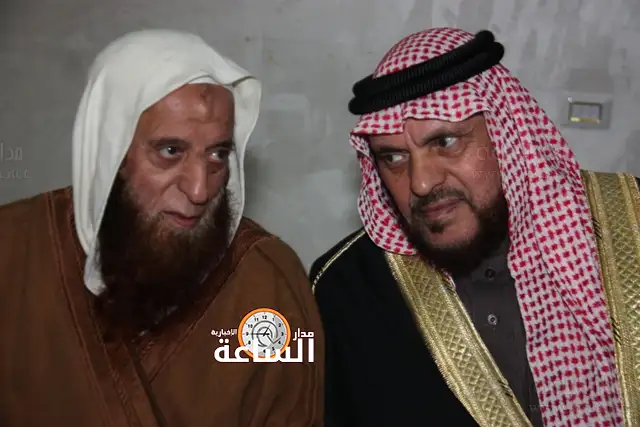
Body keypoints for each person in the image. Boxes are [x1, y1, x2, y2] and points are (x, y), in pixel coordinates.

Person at [311, 27, 640, 427]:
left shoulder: (630, 223)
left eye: (445, 142)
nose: (421, 182)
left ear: (507, 134)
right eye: (393, 157)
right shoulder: (345, 289)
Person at [0, 29, 324, 427]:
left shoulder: (269, 282)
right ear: (110, 151)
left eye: (217, 154)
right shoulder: (11, 249)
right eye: (170, 151)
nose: (200, 189)